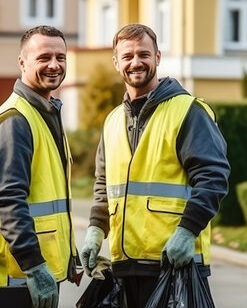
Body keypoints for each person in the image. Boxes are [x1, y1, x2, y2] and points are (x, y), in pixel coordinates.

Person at [80, 23, 230, 307]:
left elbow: (213, 177)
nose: (136, 62)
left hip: (173, 263)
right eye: (127, 56)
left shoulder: (188, 111)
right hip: (125, 267)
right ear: (116, 62)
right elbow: (104, 185)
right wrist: (95, 232)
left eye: (143, 54)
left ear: (157, 57)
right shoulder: (112, 121)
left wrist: (187, 231)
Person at [0, 25, 79, 308]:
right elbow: (8, 200)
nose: (54, 65)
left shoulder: (46, 114)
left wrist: (71, 255)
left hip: (35, 273)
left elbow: (52, 199)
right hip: (17, 276)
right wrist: (34, 265)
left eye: (61, 57)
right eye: (44, 57)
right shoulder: (15, 120)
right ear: (22, 63)